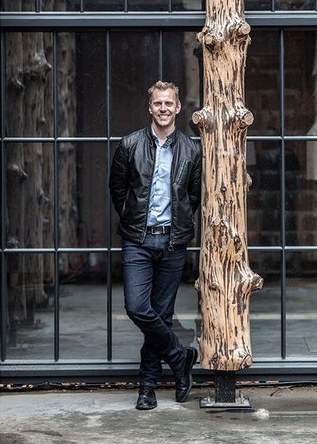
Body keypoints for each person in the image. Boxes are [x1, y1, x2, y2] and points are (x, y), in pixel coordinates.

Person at [109, 80, 202, 410]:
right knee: (137, 307)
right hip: (138, 240)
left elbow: (194, 195)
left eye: (169, 103)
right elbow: (118, 191)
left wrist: (178, 223)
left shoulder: (192, 150)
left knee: (160, 315)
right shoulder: (129, 144)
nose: (163, 108)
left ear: (178, 108)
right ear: (150, 108)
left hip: (173, 242)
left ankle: (147, 388)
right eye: (157, 103)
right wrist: (134, 220)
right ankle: (180, 357)